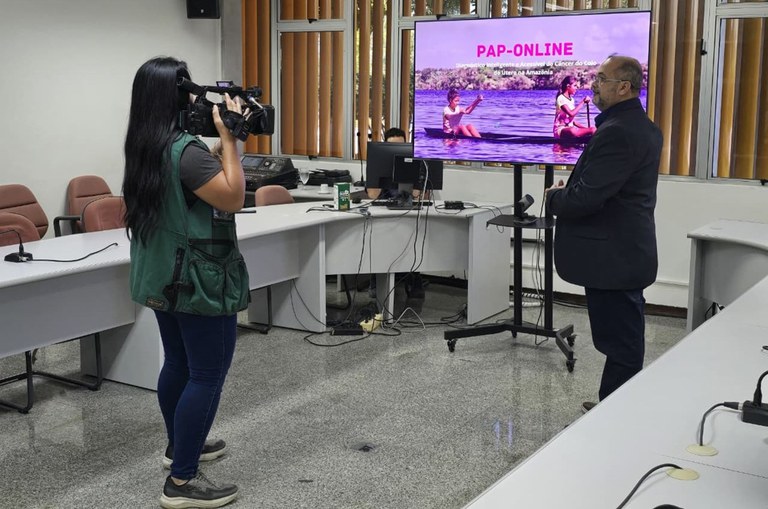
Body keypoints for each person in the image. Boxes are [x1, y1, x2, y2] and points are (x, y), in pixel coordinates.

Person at [123, 56, 249, 508]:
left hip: (164, 274)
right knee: (207, 373)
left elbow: (191, 188)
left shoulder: (146, 144)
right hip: (198, 278)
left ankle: (180, 446)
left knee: (177, 362)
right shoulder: (186, 150)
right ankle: (182, 480)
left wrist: (220, 149)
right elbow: (232, 198)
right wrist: (229, 139)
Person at [544, 55, 662, 413]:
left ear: (623, 86)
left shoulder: (619, 132)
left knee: (621, 344)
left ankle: (615, 418)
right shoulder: (637, 126)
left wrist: (555, 197)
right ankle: (613, 408)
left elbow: (587, 198)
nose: (593, 85)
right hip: (622, 253)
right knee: (622, 340)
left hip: (614, 258)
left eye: (601, 78)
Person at [366, 127, 426, 299]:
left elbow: (421, 196)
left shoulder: (415, 163)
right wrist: (381, 171)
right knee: (378, 239)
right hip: (383, 216)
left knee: (415, 237)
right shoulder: (377, 164)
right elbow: (372, 195)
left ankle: (414, 279)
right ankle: (376, 280)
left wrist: (410, 178)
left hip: (408, 214)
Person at [553, 76, 596, 140]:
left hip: (570, 128)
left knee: (592, 129)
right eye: (575, 85)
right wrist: (583, 102)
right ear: (568, 86)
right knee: (573, 130)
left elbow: (572, 121)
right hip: (560, 130)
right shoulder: (561, 98)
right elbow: (571, 114)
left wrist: (586, 129)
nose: (577, 88)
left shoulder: (572, 100)